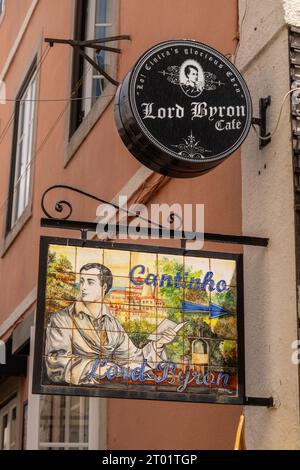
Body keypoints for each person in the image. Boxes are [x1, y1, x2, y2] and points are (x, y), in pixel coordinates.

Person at [45, 263, 176, 385]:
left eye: (90, 282)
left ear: (104, 287)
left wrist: (158, 343)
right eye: (82, 281)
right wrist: (97, 368)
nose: (83, 287)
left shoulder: (113, 324)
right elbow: (57, 362)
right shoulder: (61, 319)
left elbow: (132, 358)